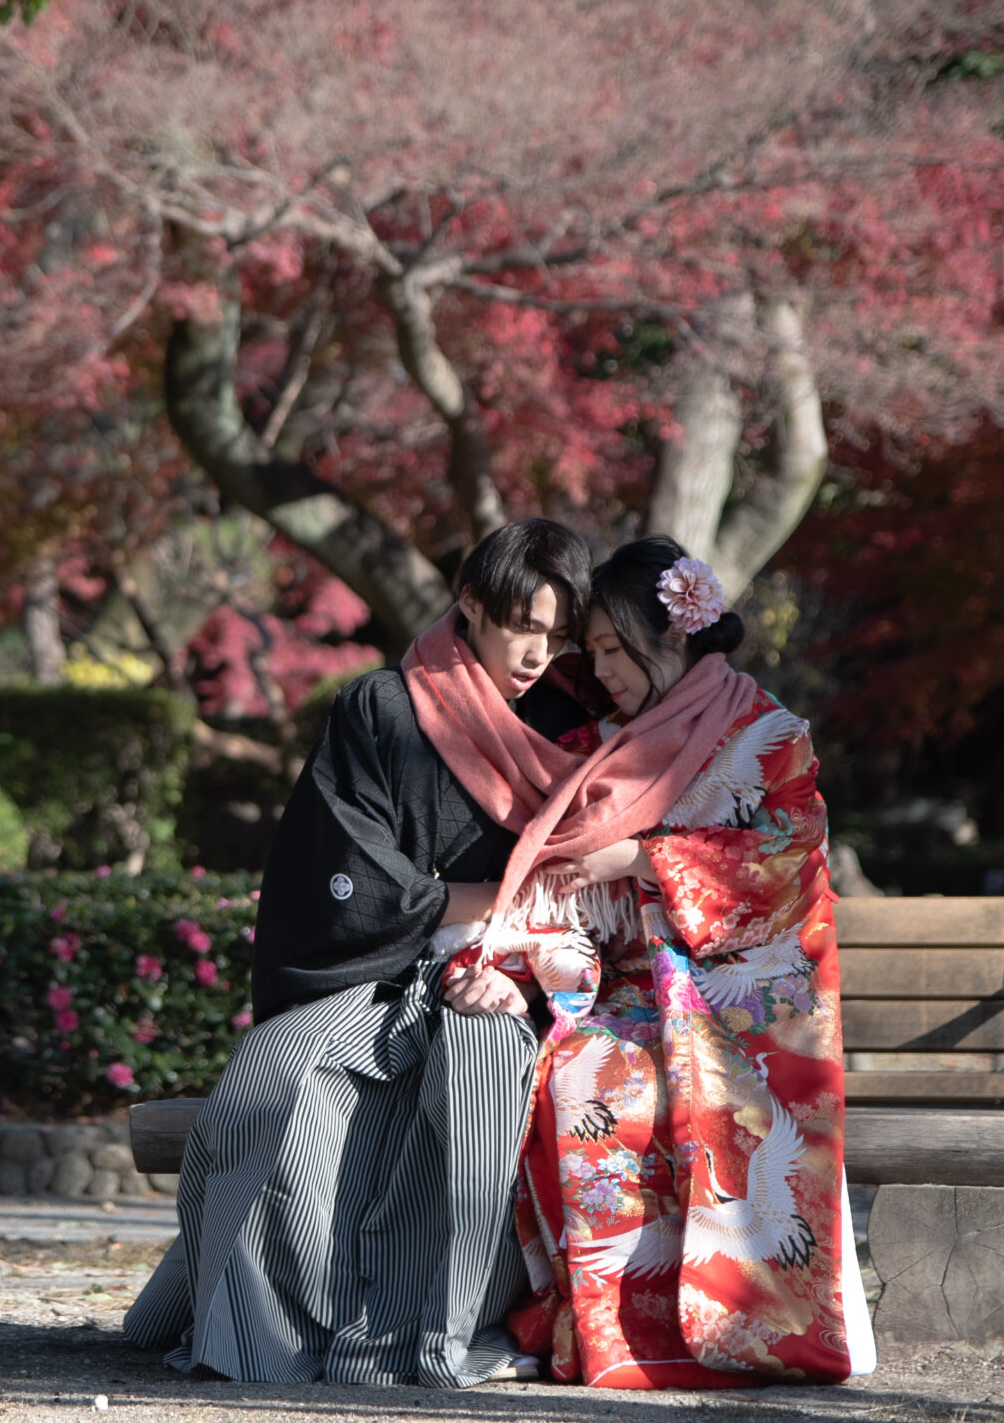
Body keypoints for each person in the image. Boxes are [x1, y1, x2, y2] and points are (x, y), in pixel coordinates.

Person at [123, 518, 599, 1386]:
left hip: (518, 979)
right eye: (522, 625)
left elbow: (585, 879)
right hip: (377, 974)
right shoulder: (382, 707)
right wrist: (483, 901)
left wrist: (513, 962)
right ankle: (267, 1332)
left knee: (481, 1080)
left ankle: (432, 1327)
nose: (538, 653)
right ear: (469, 602)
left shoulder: (575, 721)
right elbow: (348, 874)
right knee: (276, 1078)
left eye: (557, 634)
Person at [415, 536, 871, 1388]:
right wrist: (507, 962)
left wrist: (641, 857)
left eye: (615, 648)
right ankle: (616, 1337)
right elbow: (549, 881)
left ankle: (750, 1330)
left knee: (721, 1115)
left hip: (741, 998)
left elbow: (789, 862)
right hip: (625, 988)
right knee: (585, 1082)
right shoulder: (598, 743)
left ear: (675, 635)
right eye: (594, 650)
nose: (601, 669)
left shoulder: (770, 733)